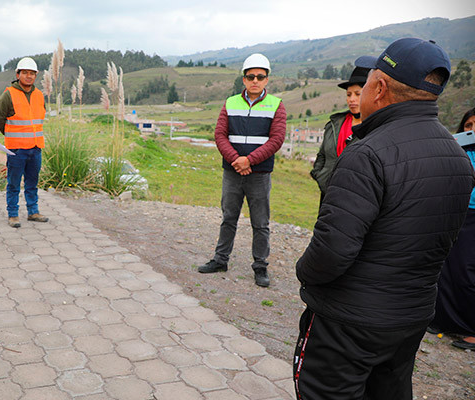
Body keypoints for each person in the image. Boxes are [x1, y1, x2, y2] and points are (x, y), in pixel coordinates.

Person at [292, 39, 475, 399]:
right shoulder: (456, 154)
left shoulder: (368, 153)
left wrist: (304, 272)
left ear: (378, 86)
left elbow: (332, 251)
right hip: (410, 317)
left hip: (349, 322)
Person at [198, 53, 286, 288]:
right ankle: (220, 259)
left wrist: (250, 160)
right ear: (243, 79)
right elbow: (220, 135)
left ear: (267, 79)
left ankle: (260, 266)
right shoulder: (230, 103)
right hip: (232, 171)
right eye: (250, 76)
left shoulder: (276, 105)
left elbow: (276, 139)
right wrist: (236, 159)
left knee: (260, 222)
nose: (255, 80)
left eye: (260, 76)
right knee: (228, 218)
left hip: (259, 174)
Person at [428, 107, 475, 350]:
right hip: (455, 208)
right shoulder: (458, 148)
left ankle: (472, 329)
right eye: (469, 125)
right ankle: (442, 319)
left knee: (467, 271)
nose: (473, 129)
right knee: (445, 267)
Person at [0, 57, 49, 228]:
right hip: (17, 149)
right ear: (18, 74)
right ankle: (13, 214)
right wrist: (12, 135)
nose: (28, 76)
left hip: (36, 147)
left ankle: (33, 211)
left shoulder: (39, 95)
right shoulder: (8, 94)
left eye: (32, 73)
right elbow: (0, 120)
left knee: (32, 182)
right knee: (13, 183)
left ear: (36, 75)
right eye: (25, 73)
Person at [310, 66, 369, 203]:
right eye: (349, 95)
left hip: (357, 200)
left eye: (357, 94)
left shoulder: (374, 128)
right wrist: (320, 176)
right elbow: (322, 155)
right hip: (328, 195)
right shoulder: (334, 124)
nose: (351, 99)